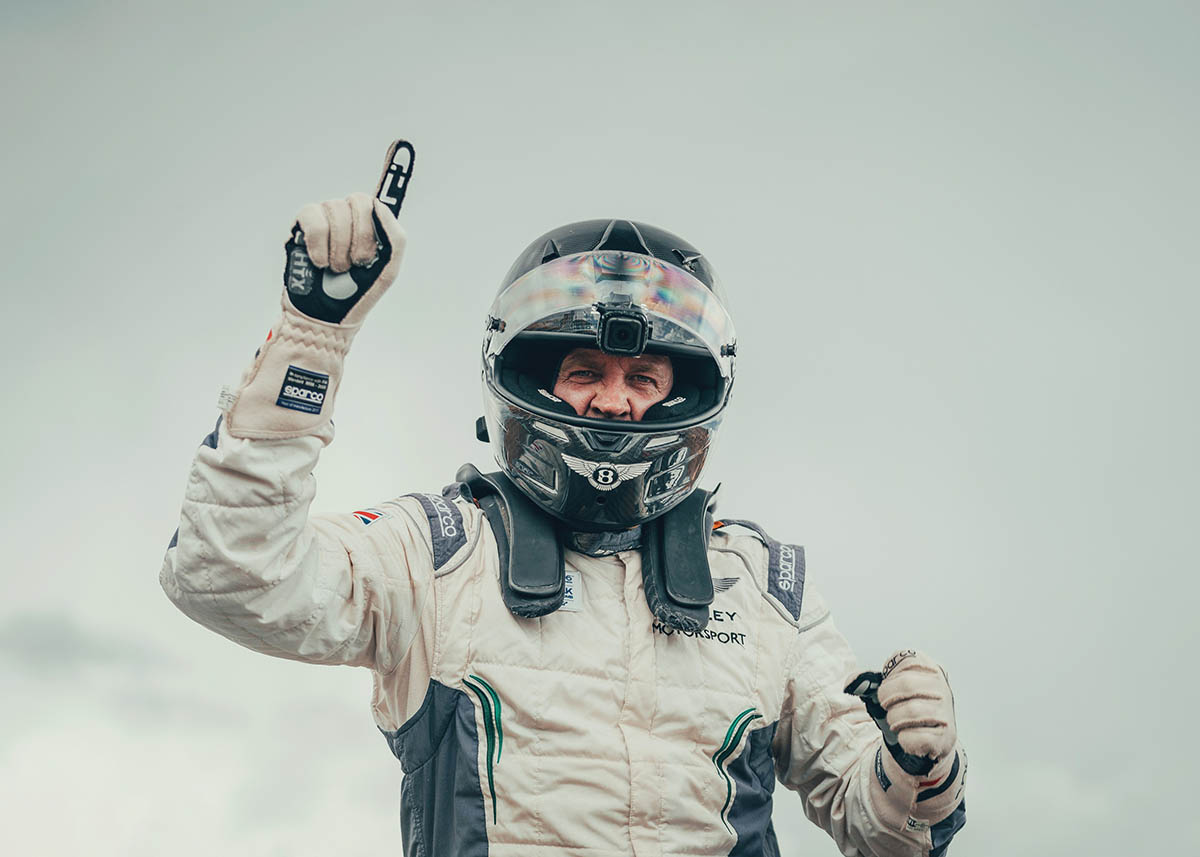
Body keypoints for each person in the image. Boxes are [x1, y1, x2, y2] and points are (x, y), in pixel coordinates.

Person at [162, 192, 967, 856]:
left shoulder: (762, 587)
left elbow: (888, 835)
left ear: (686, 395)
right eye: (585, 370)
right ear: (527, 380)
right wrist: (312, 336)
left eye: (643, 377)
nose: (613, 402)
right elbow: (229, 576)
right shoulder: (438, 554)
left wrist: (917, 764)